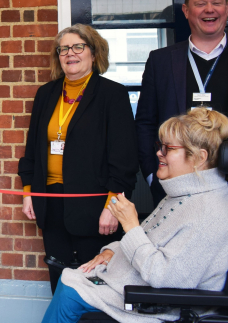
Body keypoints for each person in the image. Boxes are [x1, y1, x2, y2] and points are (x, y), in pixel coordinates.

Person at [42, 108, 228, 323]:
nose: (159, 153)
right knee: (70, 281)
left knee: (70, 294)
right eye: (160, 147)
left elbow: (163, 276)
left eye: (169, 148)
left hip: (163, 304)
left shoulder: (210, 212)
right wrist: (112, 251)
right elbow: (151, 241)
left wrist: (130, 225)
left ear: (199, 158)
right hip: (139, 285)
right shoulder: (183, 193)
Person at [18, 24, 138, 293]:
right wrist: (29, 193)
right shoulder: (46, 94)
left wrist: (112, 206)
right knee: (59, 278)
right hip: (50, 203)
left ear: (93, 54)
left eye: (78, 47)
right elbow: (32, 150)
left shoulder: (112, 95)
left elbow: (124, 159)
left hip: (95, 208)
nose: (69, 53)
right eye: (63, 49)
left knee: (95, 284)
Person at [136, 0, 228, 204]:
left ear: (226, 8)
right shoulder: (160, 61)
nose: (209, 9)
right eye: (201, 4)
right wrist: (152, 176)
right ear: (186, 11)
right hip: (178, 182)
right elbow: (145, 123)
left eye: (216, 3)